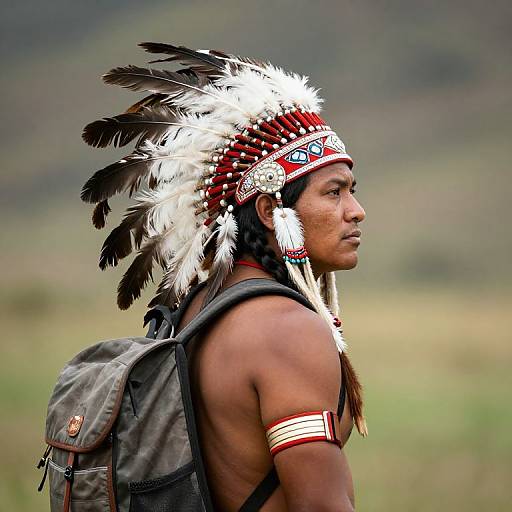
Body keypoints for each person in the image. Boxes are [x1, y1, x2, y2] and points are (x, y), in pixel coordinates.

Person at [81, 43, 367, 511]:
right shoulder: (287, 330)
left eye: (352, 191)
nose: (356, 211)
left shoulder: (198, 308)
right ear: (270, 211)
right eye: (333, 192)